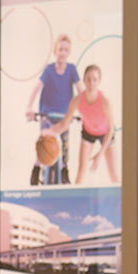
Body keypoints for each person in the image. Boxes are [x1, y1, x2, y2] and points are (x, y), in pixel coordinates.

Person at [24, 33, 85, 185]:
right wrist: (29, 107)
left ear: (69, 52)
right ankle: (36, 169)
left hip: (64, 117)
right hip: (47, 114)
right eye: (60, 49)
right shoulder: (49, 70)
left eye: (66, 50)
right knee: (45, 145)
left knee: (64, 148)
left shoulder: (72, 69)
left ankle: (64, 172)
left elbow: (81, 91)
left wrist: (85, 111)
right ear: (55, 51)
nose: (63, 53)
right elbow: (37, 88)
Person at [46, 64, 118, 184]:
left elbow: (111, 129)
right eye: (88, 79)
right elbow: (64, 125)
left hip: (106, 133)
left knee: (113, 174)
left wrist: (99, 156)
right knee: (81, 173)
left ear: (99, 81)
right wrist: (48, 132)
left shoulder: (105, 101)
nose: (91, 83)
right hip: (88, 133)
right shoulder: (77, 100)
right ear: (84, 80)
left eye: (95, 79)